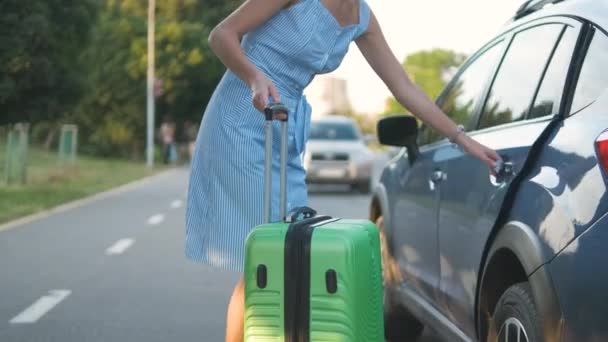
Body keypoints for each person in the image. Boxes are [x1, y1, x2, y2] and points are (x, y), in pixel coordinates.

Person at [184, 1, 501, 341]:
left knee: (289, 252)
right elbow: (222, 35)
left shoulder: (363, 18)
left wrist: (459, 137)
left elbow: (404, 88)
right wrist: (254, 76)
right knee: (269, 258)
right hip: (243, 118)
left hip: (284, 126)